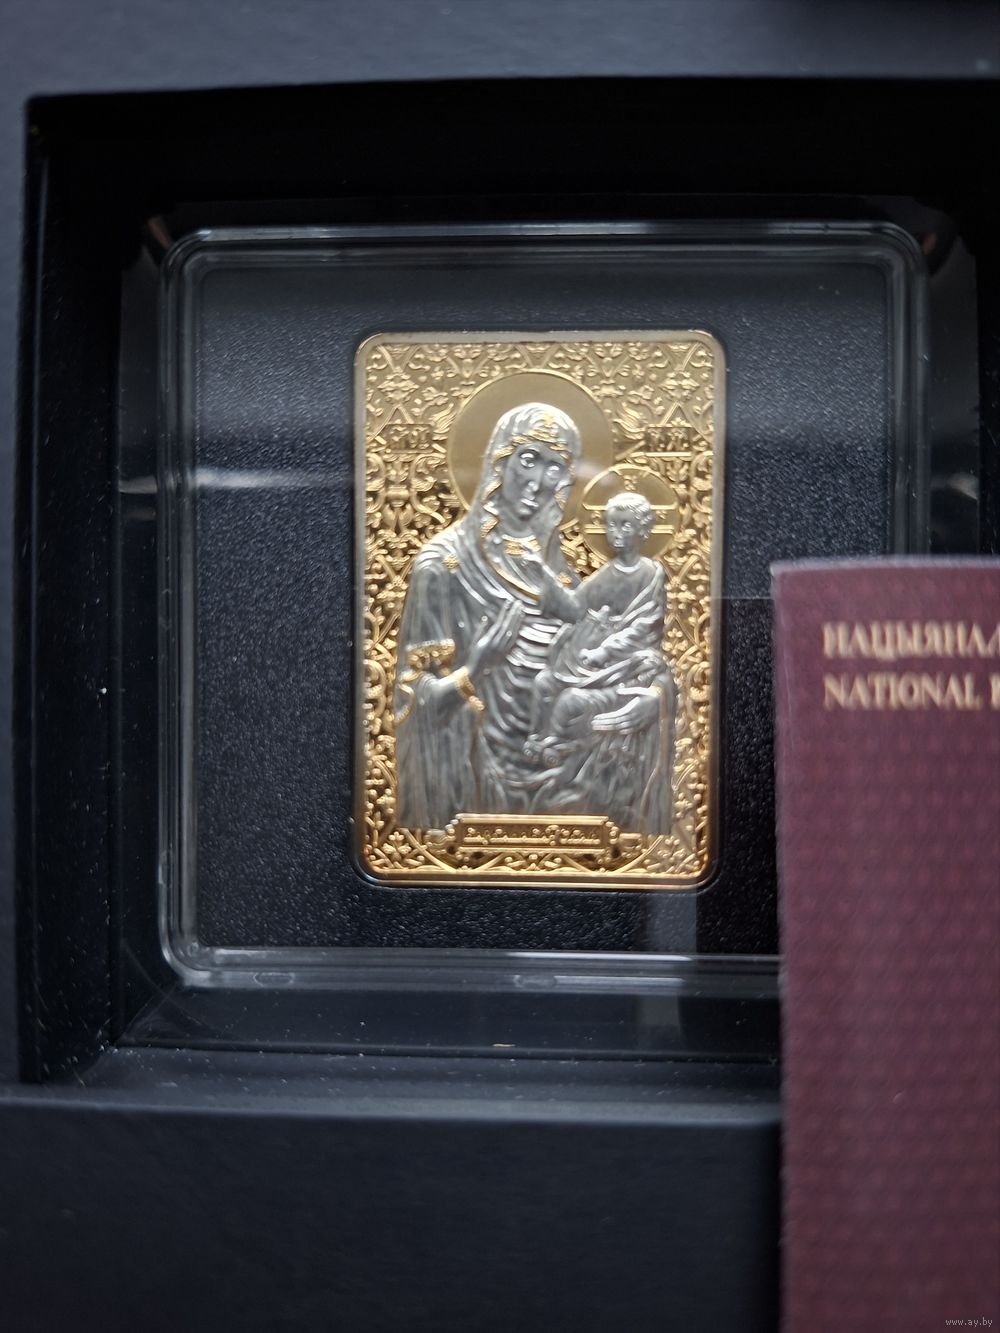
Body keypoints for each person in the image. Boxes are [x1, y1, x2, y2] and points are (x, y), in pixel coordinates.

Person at [392, 402, 582, 829]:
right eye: (528, 459)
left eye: (554, 467)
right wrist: (476, 669)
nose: (537, 481)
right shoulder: (443, 566)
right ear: (500, 460)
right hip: (476, 770)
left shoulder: (560, 572)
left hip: (559, 764)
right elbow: (411, 703)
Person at [523, 491, 675, 834]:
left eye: (625, 525)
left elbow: (643, 627)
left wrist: (604, 652)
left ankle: (561, 749)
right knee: (543, 682)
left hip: (624, 668)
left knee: (571, 701)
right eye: (611, 524)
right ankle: (539, 741)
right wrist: (541, 573)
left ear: (643, 530)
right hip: (588, 663)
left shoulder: (651, 574)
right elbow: (574, 606)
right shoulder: (608, 572)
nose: (615, 533)